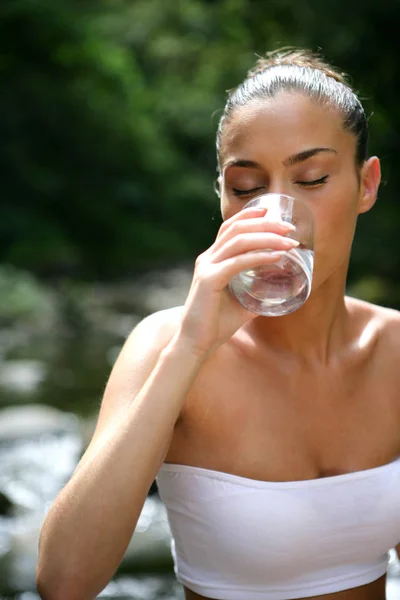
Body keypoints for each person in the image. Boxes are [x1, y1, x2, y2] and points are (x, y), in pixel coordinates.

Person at [36, 48, 400, 600]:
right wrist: (190, 347)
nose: (276, 214)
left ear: (366, 184)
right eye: (248, 187)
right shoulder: (170, 343)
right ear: (224, 199)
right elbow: (63, 582)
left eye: (313, 178)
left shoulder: (393, 350)